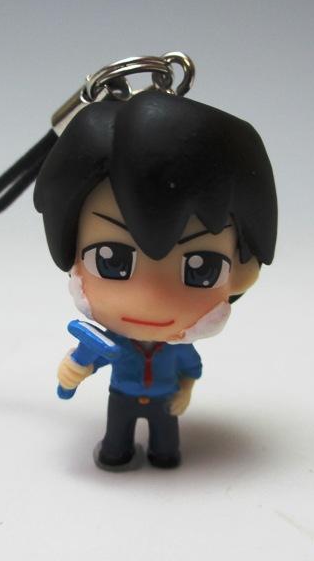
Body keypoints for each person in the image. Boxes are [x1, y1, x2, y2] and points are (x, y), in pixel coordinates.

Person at [33, 90, 277, 470]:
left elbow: (191, 371)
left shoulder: (177, 349)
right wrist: (73, 371)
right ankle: (116, 453)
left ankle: (165, 453)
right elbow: (88, 359)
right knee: (116, 438)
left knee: (166, 440)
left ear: (242, 272)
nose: (150, 300)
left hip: (164, 401)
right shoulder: (113, 341)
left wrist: (185, 391)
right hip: (122, 397)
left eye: (201, 268)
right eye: (111, 260)